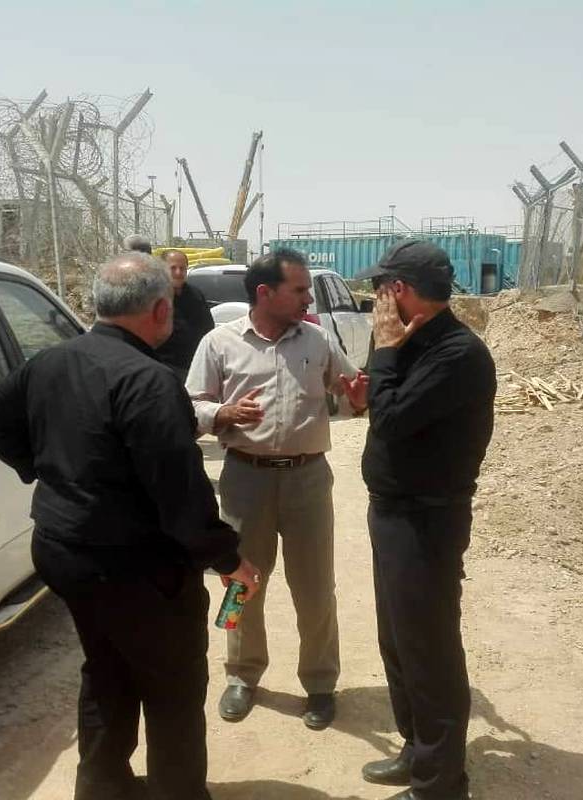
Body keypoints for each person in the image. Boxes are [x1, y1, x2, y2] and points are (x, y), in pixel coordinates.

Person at [0, 251, 259, 800]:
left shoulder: (51, 361)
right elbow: (181, 495)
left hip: (63, 550)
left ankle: (102, 786)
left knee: (107, 669)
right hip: (133, 566)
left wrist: (44, 470)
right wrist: (229, 559)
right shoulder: (149, 381)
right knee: (173, 686)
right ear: (160, 310)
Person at [186, 247, 368, 732]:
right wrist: (222, 413)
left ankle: (320, 683)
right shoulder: (219, 342)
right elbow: (191, 406)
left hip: (308, 478)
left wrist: (357, 399)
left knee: (315, 587)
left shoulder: (316, 338)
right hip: (245, 478)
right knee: (240, 581)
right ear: (265, 293)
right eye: (300, 289)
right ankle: (241, 674)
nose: (308, 297)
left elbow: (348, 393)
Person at [353, 241, 496, 800]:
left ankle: (439, 785)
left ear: (401, 290)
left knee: (429, 650)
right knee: (397, 641)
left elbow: (390, 420)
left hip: (426, 521)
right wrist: (379, 366)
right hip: (393, 513)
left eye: (380, 289)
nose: (375, 301)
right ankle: (418, 750)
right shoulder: (410, 341)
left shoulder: (457, 353)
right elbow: (383, 405)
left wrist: (386, 352)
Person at [152, 249, 215, 381]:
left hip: (194, 367)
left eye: (182, 268)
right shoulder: (152, 297)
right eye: (173, 268)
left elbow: (208, 329)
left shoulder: (195, 295)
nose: (178, 273)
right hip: (162, 369)